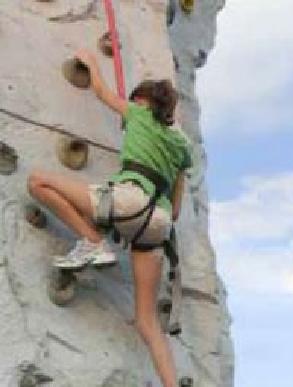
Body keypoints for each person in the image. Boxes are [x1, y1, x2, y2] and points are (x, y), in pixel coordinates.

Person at [27, 48, 193, 387]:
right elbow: (175, 210)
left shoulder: (138, 113)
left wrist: (91, 62)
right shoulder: (181, 148)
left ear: (144, 101)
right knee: (147, 321)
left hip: (128, 201)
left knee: (37, 182)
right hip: (157, 224)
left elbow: (102, 92)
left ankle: (91, 240)